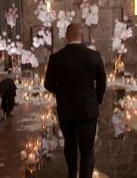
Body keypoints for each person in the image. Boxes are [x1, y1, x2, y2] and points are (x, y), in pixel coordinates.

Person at [44, 23, 106, 178]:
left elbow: (48, 84)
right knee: (87, 150)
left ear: (66, 37)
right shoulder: (94, 56)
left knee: (70, 144)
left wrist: (63, 93)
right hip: (88, 109)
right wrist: (96, 99)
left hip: (66, 109)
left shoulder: (56, 58)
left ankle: (72, 174)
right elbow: (102, 82)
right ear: (83, 37)